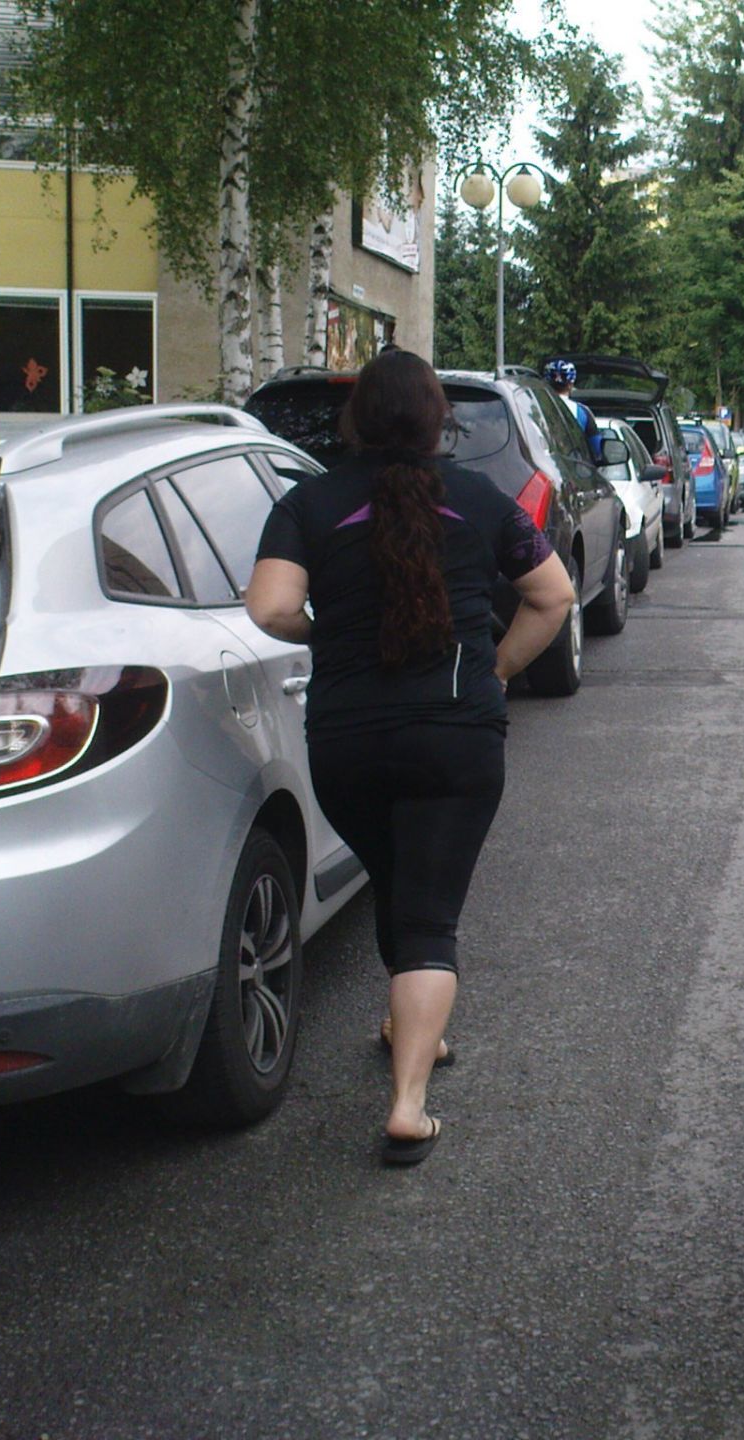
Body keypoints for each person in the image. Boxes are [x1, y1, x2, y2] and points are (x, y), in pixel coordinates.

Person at [245, 349, 575, 1165]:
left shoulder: (309, 502)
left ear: (354, 422)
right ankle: (407, 1104)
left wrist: (328, 634)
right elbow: (555, 596)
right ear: (438, 422)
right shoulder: (481, 498)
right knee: (427, 913)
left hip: (347, 738)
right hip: (455, 736)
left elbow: (272, 607)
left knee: (397, 875)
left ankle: (407, 1024)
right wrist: (498, 670)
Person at [544, 359, 605, 462]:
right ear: (571, 384)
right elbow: (597, 449)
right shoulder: (582, 412)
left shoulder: (534, 406)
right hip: (573, 466)